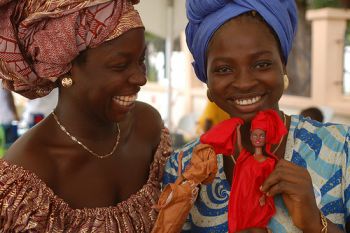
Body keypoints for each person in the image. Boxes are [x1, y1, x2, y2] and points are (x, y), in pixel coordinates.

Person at [163, 1, 350, 233]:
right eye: (223, 69)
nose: (244, 83)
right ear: (207, 80)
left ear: (283, 65)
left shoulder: (341, 150)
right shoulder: (183, 168)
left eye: (261, 64)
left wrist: (314, 222)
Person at [0, 0, 171, 232]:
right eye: (120, 66)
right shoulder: (31, 171)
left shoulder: (147, 126)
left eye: (141, 60)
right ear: (65, 71)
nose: (141, 78)